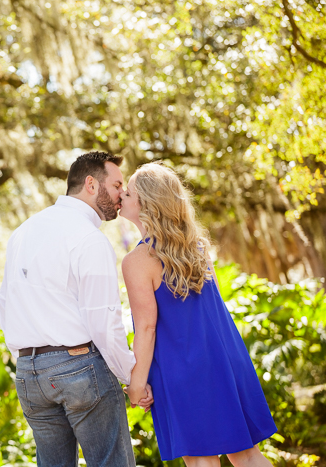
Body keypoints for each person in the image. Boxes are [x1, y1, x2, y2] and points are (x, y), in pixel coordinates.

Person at [0, 151, 152, 467]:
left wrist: (30, 364)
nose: (122, 194)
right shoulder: (88, 238)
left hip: (29, 374)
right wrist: (132, 378)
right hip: (78, 367)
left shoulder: (24, 231)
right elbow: (104, 322)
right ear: (92, 184)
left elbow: (6, 304)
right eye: (117, 185)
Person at [119, 162, 277, 466]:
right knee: (245, 453)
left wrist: (136, 384)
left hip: (184, 368)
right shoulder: (198, 247)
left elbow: (147, 328)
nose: (122, 195)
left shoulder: (137, 261)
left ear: (146, 203)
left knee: (201, 459)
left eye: (128, 191)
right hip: (226, 358)